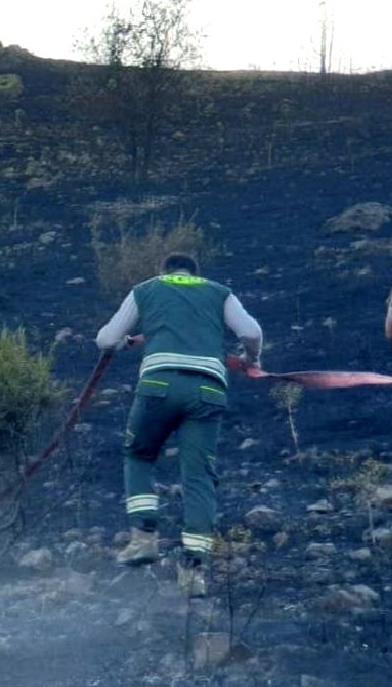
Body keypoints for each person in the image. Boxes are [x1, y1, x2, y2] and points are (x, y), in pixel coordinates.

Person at [95, 253, 262, 598]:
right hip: (207, 391)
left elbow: (107, 340)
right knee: (199, 476)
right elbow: (251, 331)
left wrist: (125, 342)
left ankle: (143, 538)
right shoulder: (219, 292)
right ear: (194, 274)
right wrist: (251, 360)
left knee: (139, 454)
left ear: (166, 271)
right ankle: (193, 571)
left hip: (158, 387)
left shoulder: (147, 289)